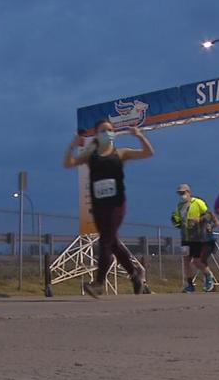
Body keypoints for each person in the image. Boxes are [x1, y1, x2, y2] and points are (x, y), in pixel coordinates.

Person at [64, 119, 153, 297]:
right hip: (98, 207)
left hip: (116, 205)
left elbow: (148, 153)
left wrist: (139, 136)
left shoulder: (121, 153)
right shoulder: (91, 156)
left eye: (110, 130)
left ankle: (99, 283)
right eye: (103, 131)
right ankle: (135, 273)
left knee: (104, 242)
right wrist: (72, 145)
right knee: (112, 243)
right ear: (97, 134)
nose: (107, 134)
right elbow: (69, 163)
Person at [172, 184, 218, 293]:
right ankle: (189, 284)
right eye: (180, 194)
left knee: (197, 261)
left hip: (198, 237)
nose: (182, 196)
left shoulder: (197, 202)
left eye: (184, 193)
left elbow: (208, 215)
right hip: (185, 238)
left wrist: (199, 220)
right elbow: (177, 219)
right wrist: (175, 221)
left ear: (189, 192)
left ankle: (209, 277)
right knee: (186, 261)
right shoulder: (179, 206)